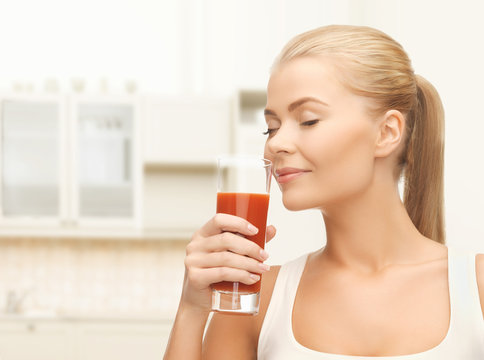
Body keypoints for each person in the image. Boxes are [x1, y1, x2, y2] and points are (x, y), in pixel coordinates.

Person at [164, 25, 484, 359]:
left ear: (387, 132)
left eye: (308, 120)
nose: (276, 143)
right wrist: (191, 309)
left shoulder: (476, 291)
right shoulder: (255, 299)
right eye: (271, 127)